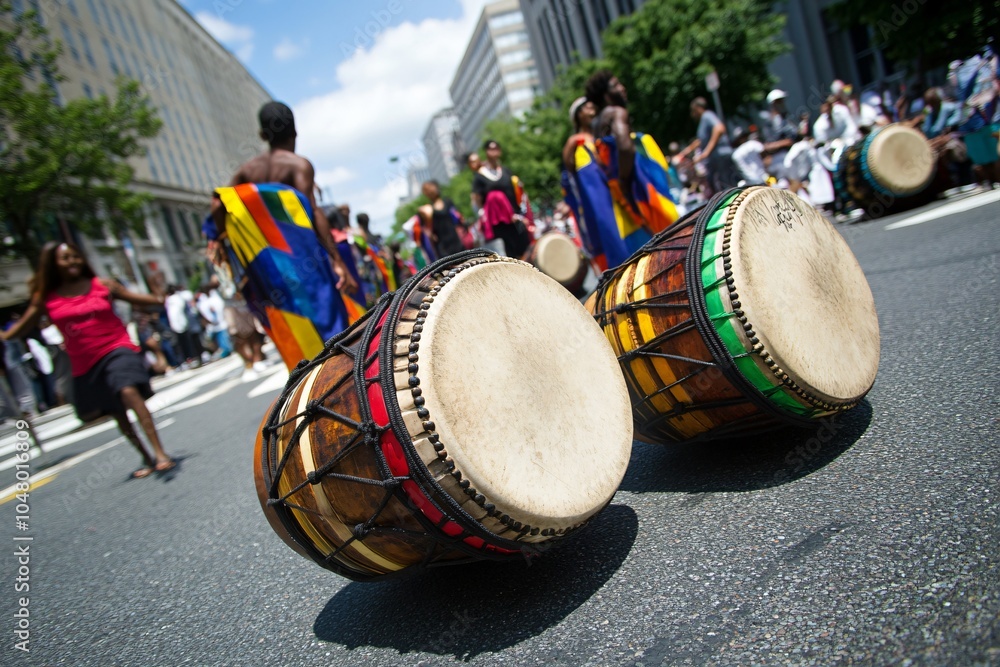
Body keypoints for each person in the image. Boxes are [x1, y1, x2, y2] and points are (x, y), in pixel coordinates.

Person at [208, 101, 361, 370]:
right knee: (331, 328)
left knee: (291, 328)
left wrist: (220, 238)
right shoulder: (298, 165)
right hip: (305, 262)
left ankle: (309, 386)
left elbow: (218, 203)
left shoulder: (247, 171)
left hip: (270, 270)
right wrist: (336, 259)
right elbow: (313, 213)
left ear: (262, 136)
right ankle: (344, 381)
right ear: (295, 130)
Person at [1, 242, 175, 478]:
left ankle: (159, 452)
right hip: (86, 362)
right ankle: (145, 455)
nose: (72, 261)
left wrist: (158, 291)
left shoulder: (102, 285)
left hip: (117, 347)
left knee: (127, 390)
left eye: (75, 256)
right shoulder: (45, 298)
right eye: (65, 258)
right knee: (116, 410)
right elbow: (16, 331)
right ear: (53, 264)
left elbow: (150, 301)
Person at [582, 70, 680, 268]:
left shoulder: (597, 124)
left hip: (620, 200)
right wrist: (624, 181)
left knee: (645, 259)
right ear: (606, 94)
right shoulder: (618, 113)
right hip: (638, 191)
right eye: (616, 85)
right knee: (673, 244)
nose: (622, 88)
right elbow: (625, 146)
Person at [471, 139, 531, 257]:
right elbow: (477, 198)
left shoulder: (506, 171)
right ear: (486, 152)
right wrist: (482, 214)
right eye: (491, 148)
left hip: (515, 218)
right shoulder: (480, 176)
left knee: (525, 249)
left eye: (496, 148)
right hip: (498, 224)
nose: (494, 151)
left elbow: (518, 190)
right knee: (509, 254)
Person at [674, 97, 739, 196]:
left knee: (728, 189)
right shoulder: (704, 121)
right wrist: (686, 152)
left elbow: (719, 128)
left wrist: (706, 152)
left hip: (720, 157)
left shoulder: (707, 116)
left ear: (697, 108)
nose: (692, 114)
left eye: (693, 111)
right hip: (716, 160)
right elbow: (701, 140)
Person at [418, 180, 467, 259]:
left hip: (456, 240)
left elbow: (458, 217)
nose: (430, 191)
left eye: (430, 188)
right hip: (442, 246)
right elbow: (426, 231)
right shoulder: (427, 210)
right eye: (426, 190)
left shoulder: (448, 201)